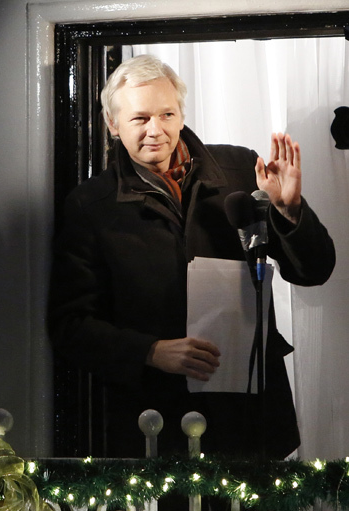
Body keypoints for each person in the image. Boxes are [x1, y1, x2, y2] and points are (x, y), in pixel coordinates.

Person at [48, 54, 335, 459]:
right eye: (139, 118)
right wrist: (151, 350)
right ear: (113, 125)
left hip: (252, 415)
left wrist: (290, 210)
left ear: (182, 115)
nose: (156, 130)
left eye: (167, 114)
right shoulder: (90, 205)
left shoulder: (239, 168)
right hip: (156, 424)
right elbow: (69, 326)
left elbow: (314, 271)